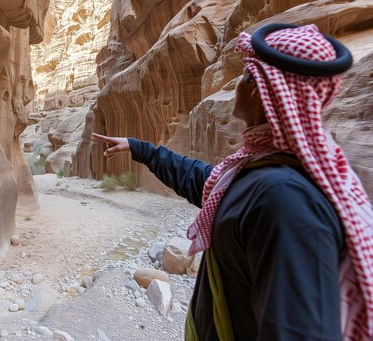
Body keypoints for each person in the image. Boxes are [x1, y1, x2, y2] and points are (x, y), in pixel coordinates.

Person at [92, 24, 373, 341]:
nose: (236, 84)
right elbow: (206, 183)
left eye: (243, 75)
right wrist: (140, 149)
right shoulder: (262, 173)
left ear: (258, 91)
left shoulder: (284, 199)